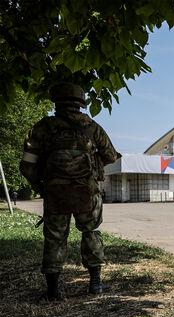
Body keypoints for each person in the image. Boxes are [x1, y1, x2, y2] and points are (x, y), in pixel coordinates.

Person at [20, 83, 121, 301]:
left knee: (55, 237)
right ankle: (95, 284)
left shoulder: (42, 127)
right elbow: (111, 156)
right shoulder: (92, 127)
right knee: (91, 232)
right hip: (87, 191)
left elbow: (27, 166)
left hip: (56, 192)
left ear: (55, 101)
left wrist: (42, 186)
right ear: (82, 101)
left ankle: (53, 290)